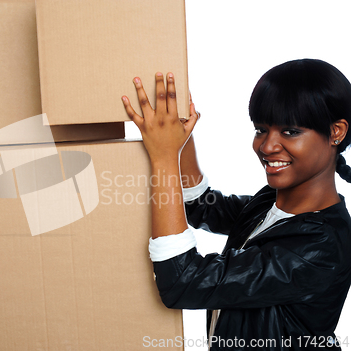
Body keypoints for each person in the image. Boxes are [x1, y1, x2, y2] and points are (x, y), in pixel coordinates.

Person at [122, 59, 351, 350]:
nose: (267, 146)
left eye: (290, 131)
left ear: (336, 132)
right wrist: (181, 136)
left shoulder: (321, 246)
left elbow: (182, 282)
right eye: (261, 129)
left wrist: (164, 157)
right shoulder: (272, 201)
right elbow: (203, 208)